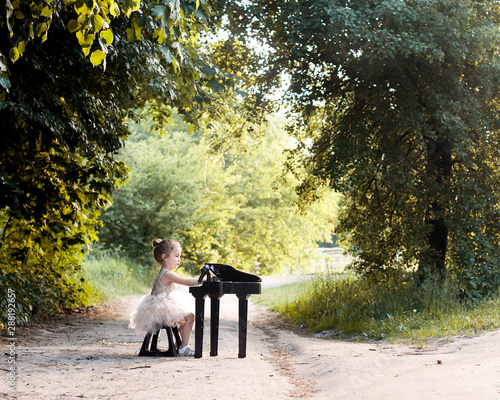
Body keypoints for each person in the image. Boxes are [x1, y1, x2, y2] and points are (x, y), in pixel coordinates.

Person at [129, 239, 200, 356]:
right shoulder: (168, 274)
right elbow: (187, 281)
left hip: (158, 307)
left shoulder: (164, 272)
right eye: (176, 256)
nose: (179, 259)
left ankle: (179, 345)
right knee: (190, 317)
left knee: (185, 321)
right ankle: (184, 347)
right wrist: (204, 280)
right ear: (165, 257)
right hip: (161, 309)